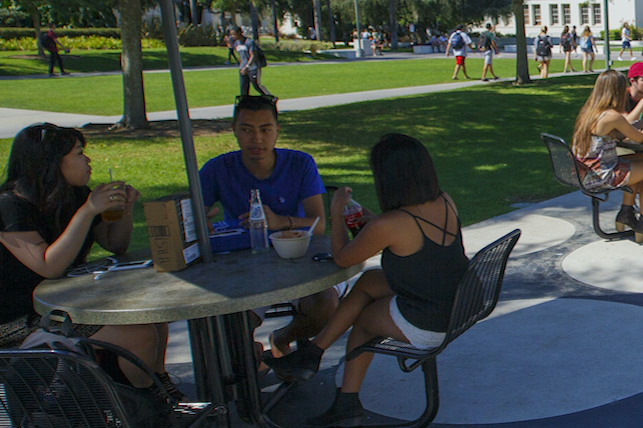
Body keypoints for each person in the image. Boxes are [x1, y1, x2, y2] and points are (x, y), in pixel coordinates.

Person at [265, 135, 469, 427]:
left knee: (363, 320)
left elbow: (342, 258)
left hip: (429, 321)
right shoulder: (443, 200)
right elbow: (398, 234)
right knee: (371, 280)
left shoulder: (391, 224)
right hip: (454, 302)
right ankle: (311, 353)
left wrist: (336, 212)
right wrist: (370, 221)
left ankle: (346, 402)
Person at [0, 124, 171, 391]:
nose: (87, 160)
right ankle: (144, 409)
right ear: (53, 162)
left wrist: (125, 209)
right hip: (17, 321)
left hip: (65, 307)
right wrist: (88, 211)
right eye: (79, 153)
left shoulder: (74, 194)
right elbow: (49, 266)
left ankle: (162, 389)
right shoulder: (8, 207)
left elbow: (116, 244)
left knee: (152, 317)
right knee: (139, 334)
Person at [199, 96, 338, 356]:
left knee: (326, 304)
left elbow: (318, 225)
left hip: (295, 260)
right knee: (233, 329)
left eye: (265, 130)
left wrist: (279, 222)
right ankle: (250, 364)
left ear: (277, 131)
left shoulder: (300, 163)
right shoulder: (216, 169)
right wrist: (200, 224)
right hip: (242, 266)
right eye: (247, 130)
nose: (257, 139)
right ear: (234, 130)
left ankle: (281, 340)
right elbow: (192, 218)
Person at [573, 68, 643, 243]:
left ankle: (626, 213)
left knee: (639, 160)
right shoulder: (612, 116)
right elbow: (640, 137)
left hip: (585, 170)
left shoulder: (591, 111)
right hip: (598, 176)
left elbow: (623, 133)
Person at [238, 32, 272, 97]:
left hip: (253, 67)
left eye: (234, 34)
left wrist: (247, 66)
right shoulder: (236, 43)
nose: (232, 36)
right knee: (243, 87)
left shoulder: (249, 42)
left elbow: (253, 55)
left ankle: (270, 97)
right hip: (242, 68)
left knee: (256, 85)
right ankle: (245, 103)